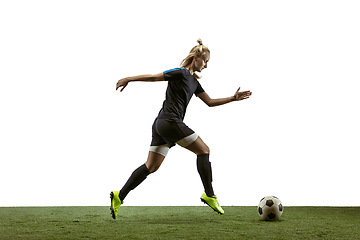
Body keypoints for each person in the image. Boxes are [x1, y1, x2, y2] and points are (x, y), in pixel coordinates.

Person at [111, 39, 252, 219]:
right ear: (196, 57)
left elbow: (209, 102)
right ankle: (209, 194)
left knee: (151, 166)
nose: (206, 66)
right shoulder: (180, 72)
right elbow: (155, 77)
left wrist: (232, 98)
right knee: (204, 151)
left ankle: (119, 196)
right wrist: (129, 78)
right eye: (205, 61)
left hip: (161, 124)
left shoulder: (194, 82)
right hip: (169, 121)